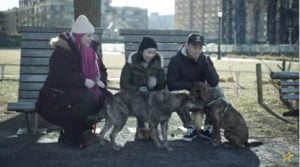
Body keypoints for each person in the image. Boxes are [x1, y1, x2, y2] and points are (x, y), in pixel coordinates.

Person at [36, 15, 112, 149]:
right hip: (56, 96)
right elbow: (58, 75)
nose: (91, 39)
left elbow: (102, 69)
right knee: (86, 97)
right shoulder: (63, 51)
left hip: (80, 91)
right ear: (79, 36)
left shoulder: (92, 51)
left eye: (91, 35)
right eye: (88, 36)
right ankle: (72, 134)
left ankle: (82, 127)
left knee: (108, 99)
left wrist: (102, 81)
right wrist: (83, 80)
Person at [167, 33, 224, 142]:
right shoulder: (176, 60)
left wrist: (206, 66)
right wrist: (193, 85)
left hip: (201, 97)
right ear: (187, 46)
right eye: (194, 47)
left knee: (218, 92)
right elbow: (171, 84)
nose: (197, 51)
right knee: (175, 95)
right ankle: (190, 127)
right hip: (186, 98)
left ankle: (208, 127)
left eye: (200, 48)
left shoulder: (205, 59)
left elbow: (214, 82)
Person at [120, 36, 166, 140]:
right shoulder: (131, 63)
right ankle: (141, 128)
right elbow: (123, 83)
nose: (151, 55)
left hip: (152, 95)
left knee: (152, 101)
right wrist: (137, 89)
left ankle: (152, 129)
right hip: (135, 94)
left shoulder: (158, 63)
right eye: (148, 52)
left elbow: (162, 86)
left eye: (153, 52)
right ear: (141, 51)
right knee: (140, 101)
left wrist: (156, 83)